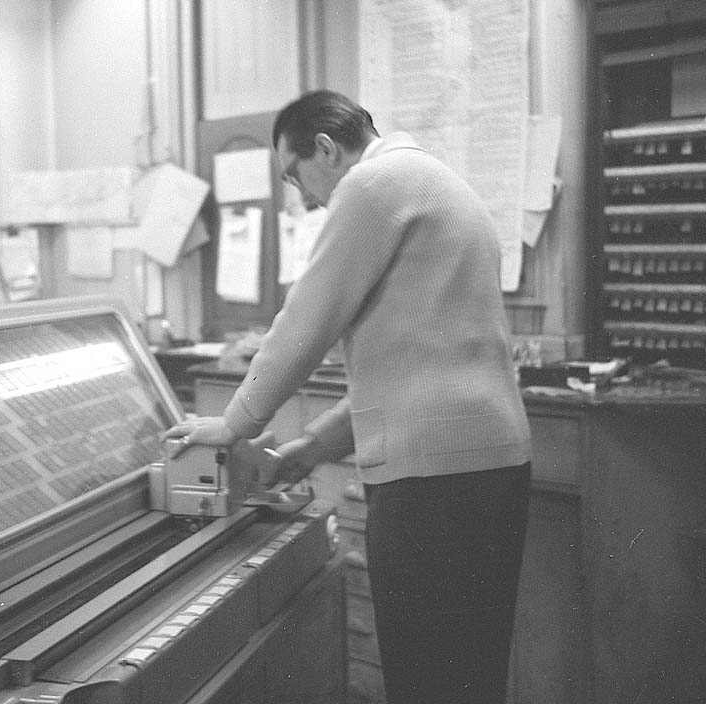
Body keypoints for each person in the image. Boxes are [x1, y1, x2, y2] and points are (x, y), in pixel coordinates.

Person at [166, 90, 532, 704]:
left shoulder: (371, 186)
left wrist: (233, 425)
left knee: (426, 680)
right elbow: (412, 378)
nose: (303, 197)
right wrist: (308, 449)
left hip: (432, 488)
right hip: (489, 472)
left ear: (328, 149)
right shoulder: (436, 181)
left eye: (295, 175)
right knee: (469, 677)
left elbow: (304, 323)